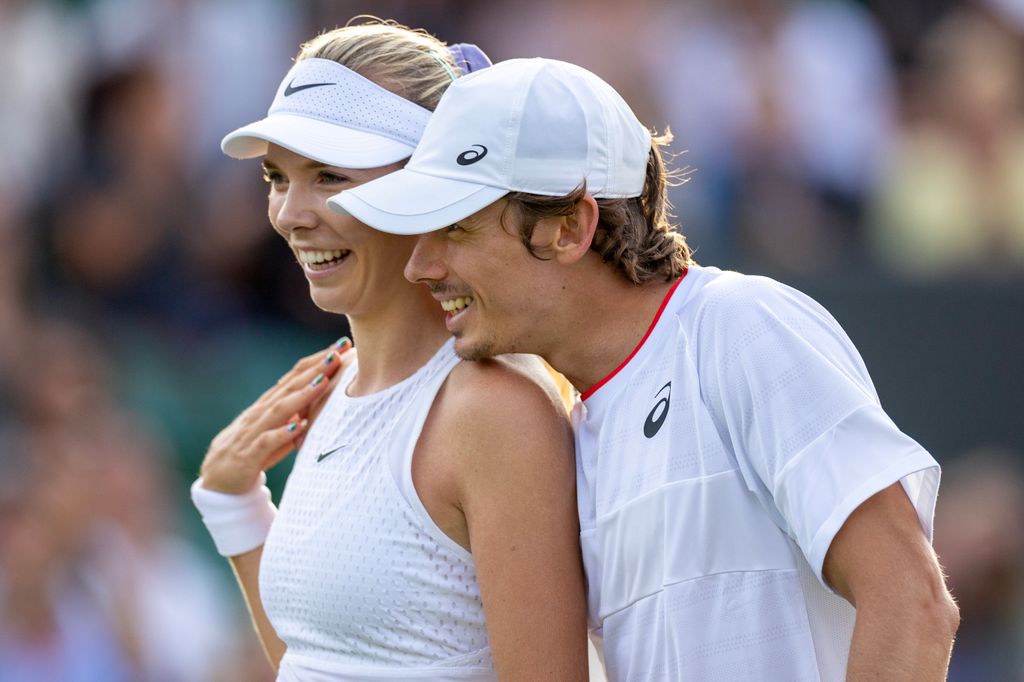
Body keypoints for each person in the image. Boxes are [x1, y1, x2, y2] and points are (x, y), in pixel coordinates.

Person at [330, 58, 961, 680]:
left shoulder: (740, 327)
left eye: (457, 230)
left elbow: (911, 603)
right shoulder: (572, 432)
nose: (421, 267)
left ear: (569, 228)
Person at [190, 26, 588, 681]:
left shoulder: (494, 409)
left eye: (328, 176)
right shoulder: (329, 390)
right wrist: (232, 504)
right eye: (276, 178)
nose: (291, 213)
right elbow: (322, 663)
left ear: (429, 184)